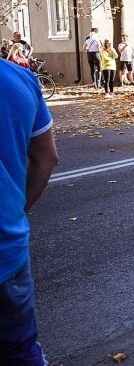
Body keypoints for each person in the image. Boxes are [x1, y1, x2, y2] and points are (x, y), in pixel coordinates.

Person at [0, 58, 59, 365]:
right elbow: (46, 158)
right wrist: (13, 211)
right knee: (20, 351)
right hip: (7, 251)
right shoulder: (20, 79)